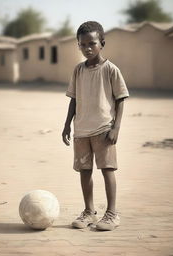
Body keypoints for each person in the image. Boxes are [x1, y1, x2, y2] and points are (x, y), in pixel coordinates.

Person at [62, 21, 129, 231]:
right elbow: (73, 99)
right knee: (85, 171)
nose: (87, 48)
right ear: (78, 46)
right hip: (81, 130)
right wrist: (66, 125)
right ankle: (89, 211)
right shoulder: (78, 70)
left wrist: (116, 127)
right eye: (82, 44)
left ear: (102, 43)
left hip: (103, 129)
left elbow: (120, 99)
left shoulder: (111, 70)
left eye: (92, 43)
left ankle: (112, 214)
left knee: (107, 170)